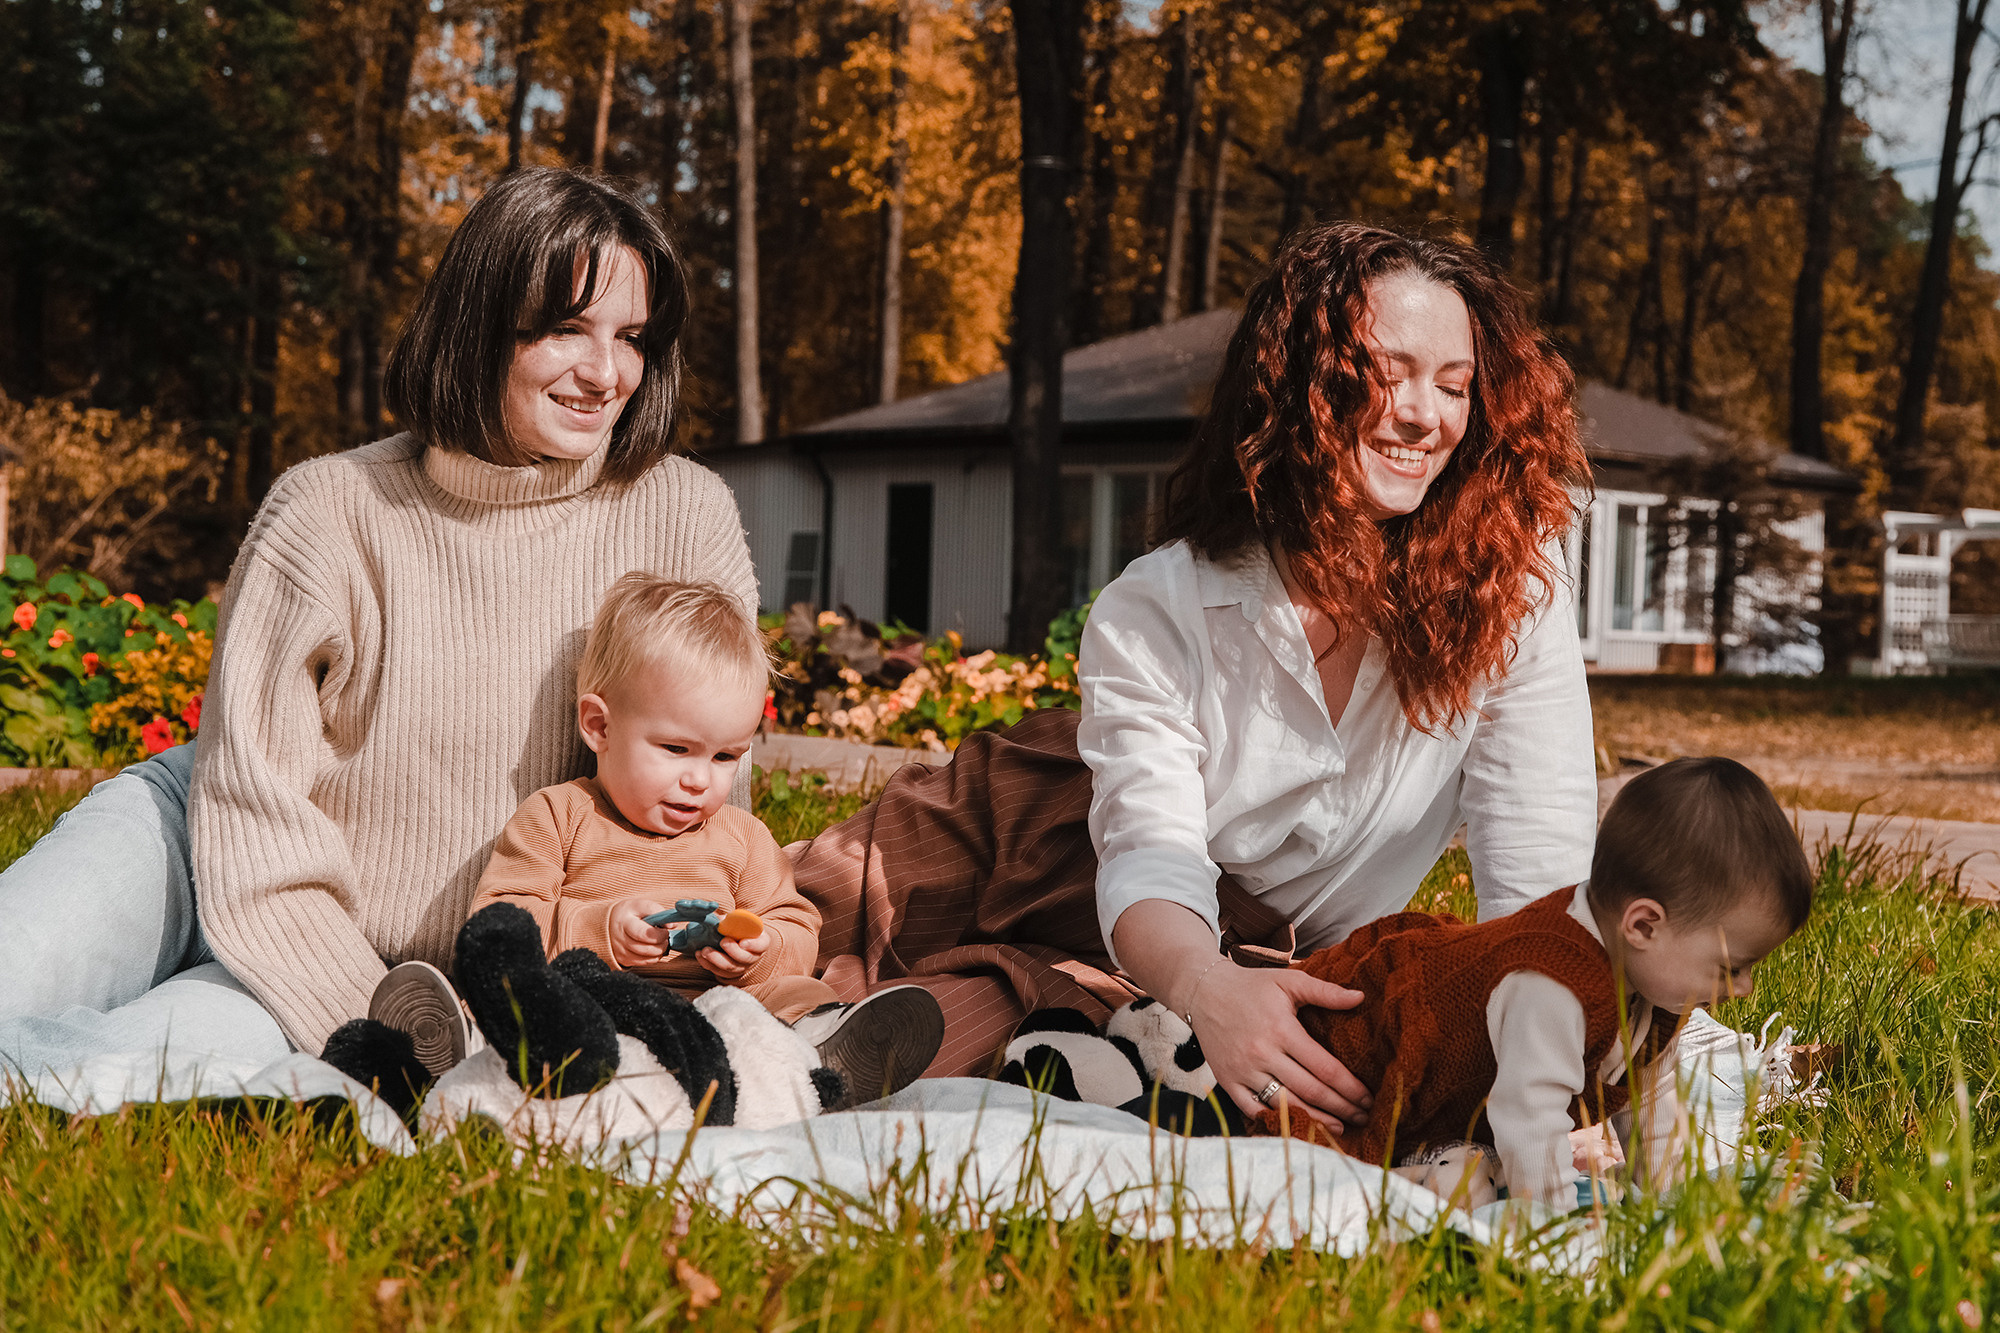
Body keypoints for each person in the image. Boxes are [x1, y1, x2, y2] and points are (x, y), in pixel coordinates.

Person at [0, 169, 866, 1089]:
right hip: (223, 841)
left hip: (459, 966)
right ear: (481, 322)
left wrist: (496, 1013)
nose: (606, 373)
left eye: (631, 338)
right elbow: (252, 822)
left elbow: (694, 809)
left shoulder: (683, 512)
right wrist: (386, 1029)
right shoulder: (329, 510)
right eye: (567, 327)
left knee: (125, 1067)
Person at [789, 222, 1598, 1124]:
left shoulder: (1514, 594)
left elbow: (1539, 872)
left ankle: (804, 1047)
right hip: (1038, 827)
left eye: (1453, 387)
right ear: (1301, 384)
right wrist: (1206, 989)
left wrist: (1548, 1069)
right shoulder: (1163, 603)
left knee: (992, 1036)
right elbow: (1152, 858)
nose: (1423, 414)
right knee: (740, 923)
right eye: (1389, 372)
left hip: (1194, 951)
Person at [426, 572, 941, 1100]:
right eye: (676, 749)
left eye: (725, 757)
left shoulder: (741, 837)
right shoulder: (559, 816)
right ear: (599, 727)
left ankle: (824, 1048)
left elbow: (798, 926)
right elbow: (500, 916)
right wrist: (599, 929)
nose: (699, 780)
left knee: (792, 990)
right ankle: (464, 1043)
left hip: (714, 1018)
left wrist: (759, 950)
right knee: (516, 983)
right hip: (592, 1007)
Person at [1245, 757, 1812, 1210]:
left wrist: (1675, 1200)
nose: (1744, 989)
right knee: (1382, 1167)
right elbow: (1529, 1120)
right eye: (1731, 967)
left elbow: (1655, 1100)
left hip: (1457, 1099)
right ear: (1643, 925)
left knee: (1475, 1165)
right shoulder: (1552, 983)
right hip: (1365, 1045)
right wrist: (1561, 1225)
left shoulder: (1657, 988)